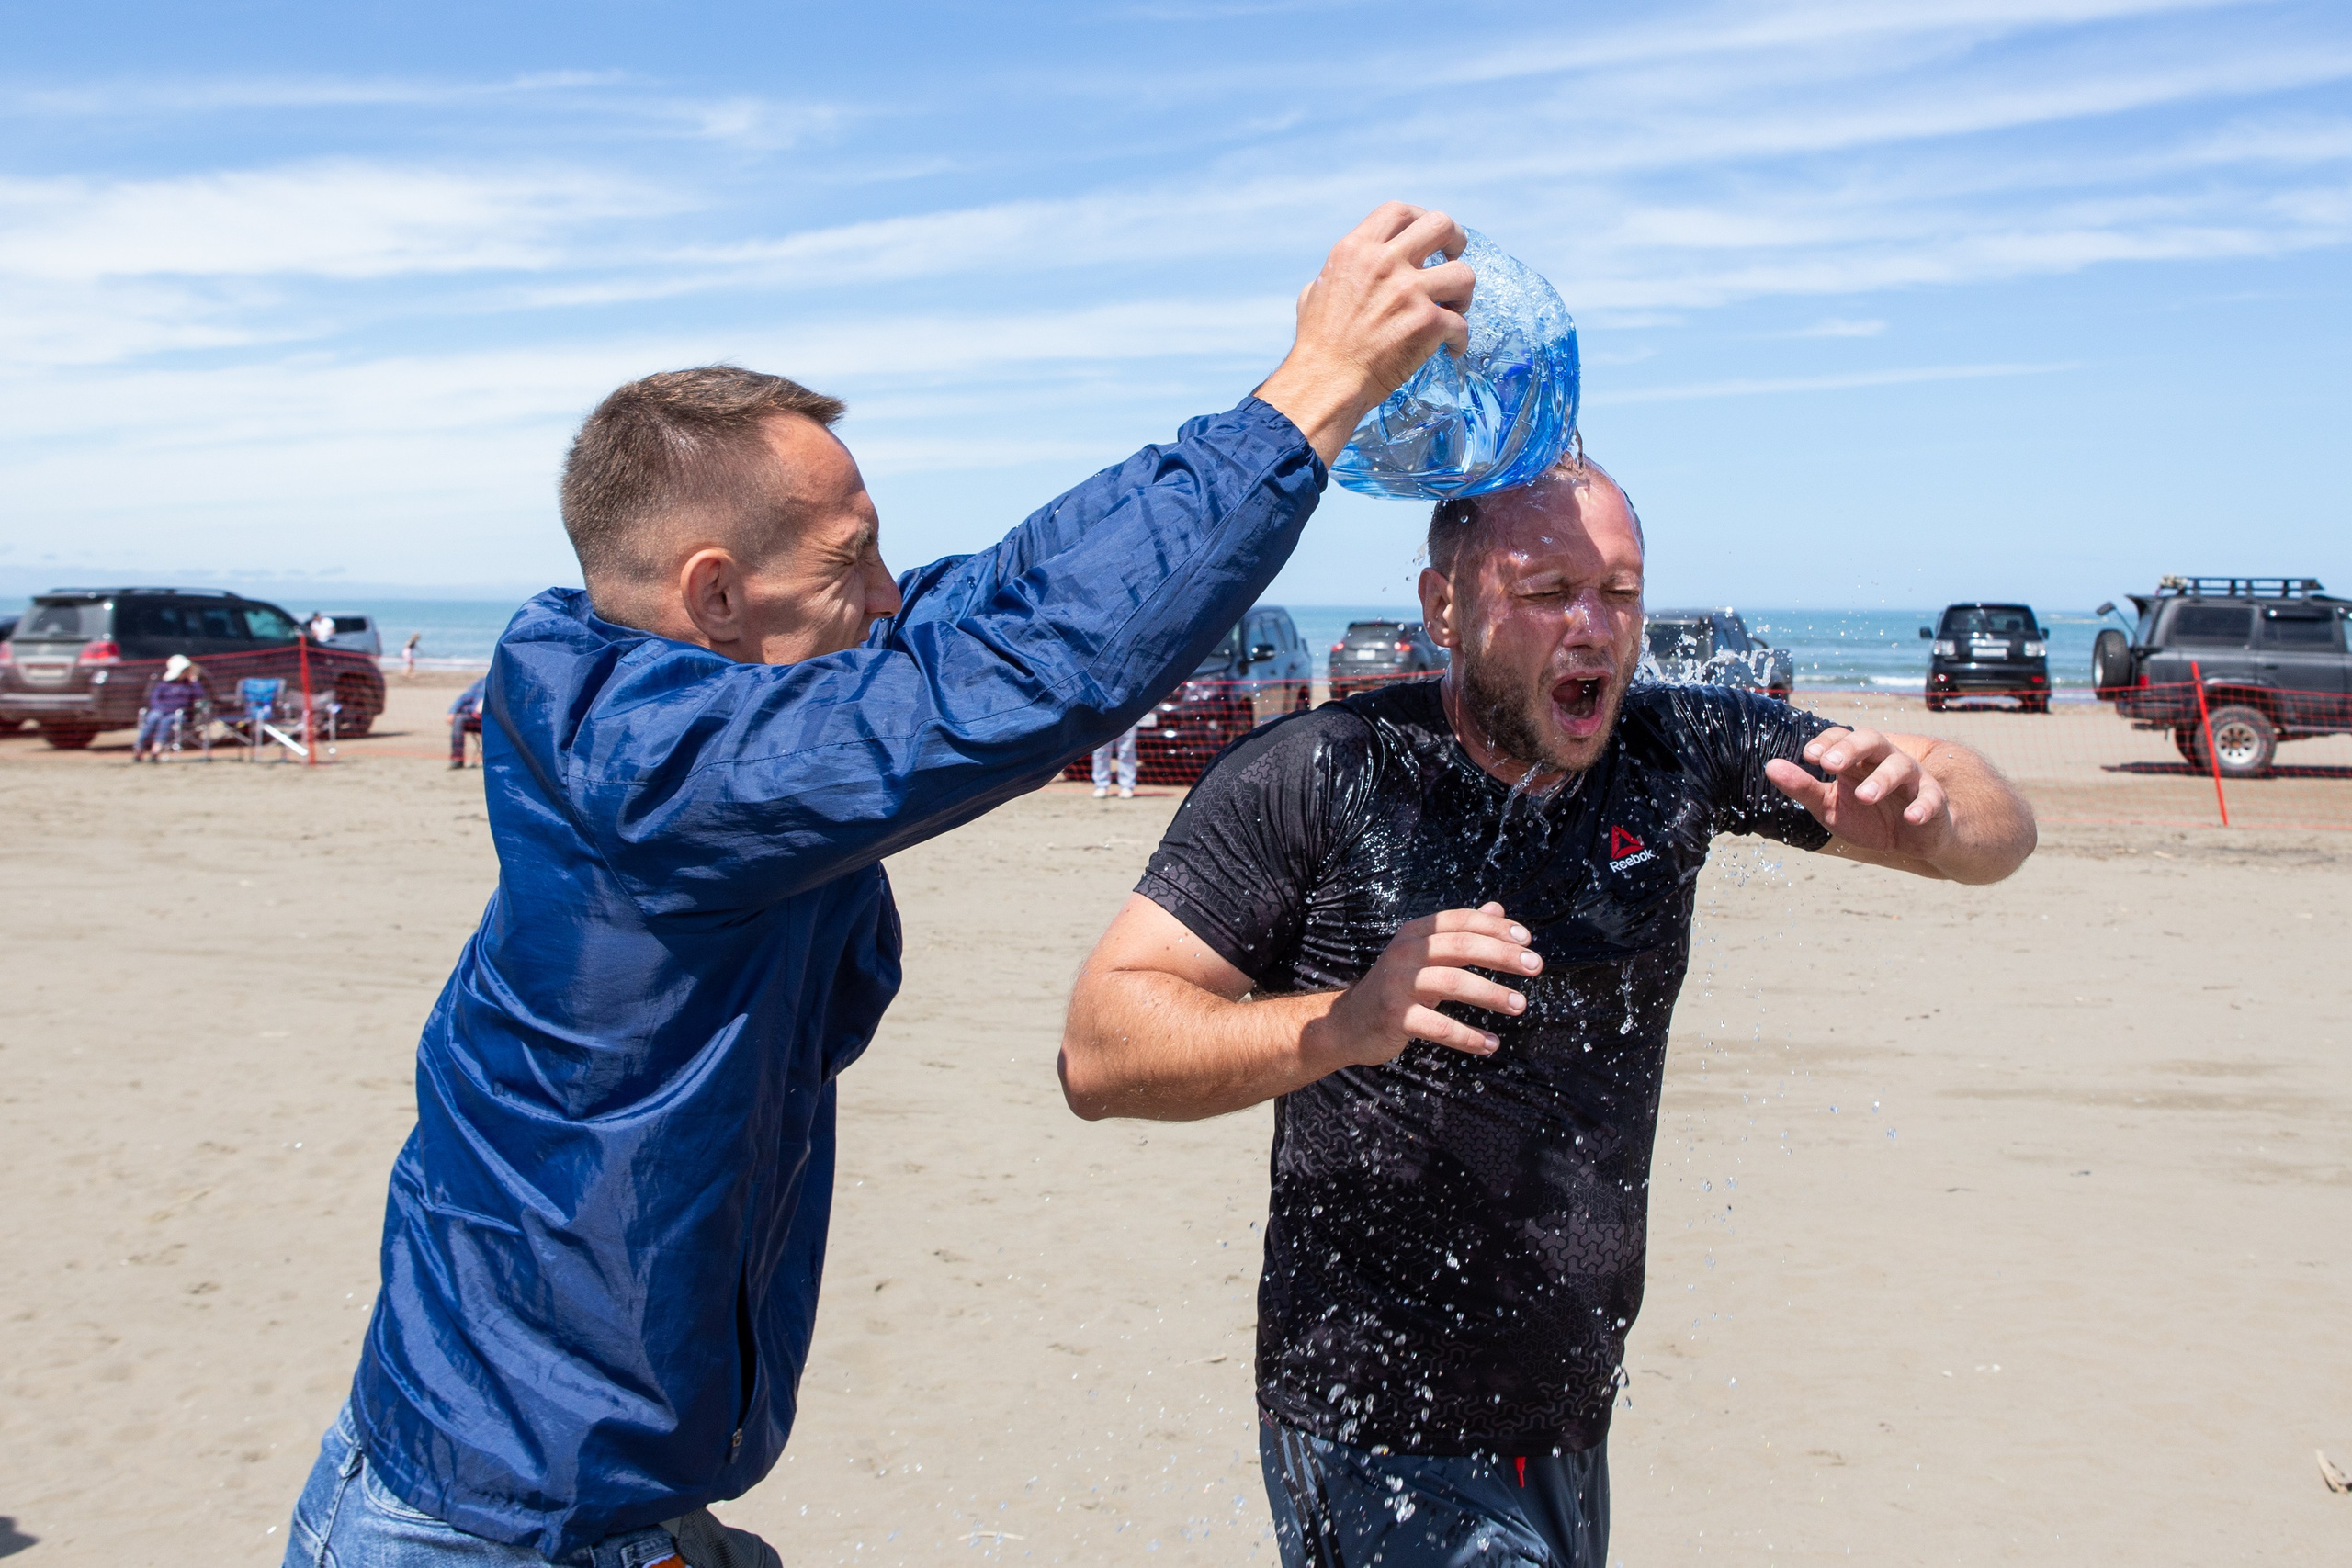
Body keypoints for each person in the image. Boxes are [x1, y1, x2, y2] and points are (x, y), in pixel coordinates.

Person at [281, 201, 1477, 1568]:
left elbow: (995, 604)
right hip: (488, 1529)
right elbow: (1010, 684)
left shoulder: (686, 696)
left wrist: (1245, 426)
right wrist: (1311, 394)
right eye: (850, 562)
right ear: (714, 595)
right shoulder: (666, 775)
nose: (887, 588)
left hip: (610, 1504)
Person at [1057, 457, 2037, 1568]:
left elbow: (1987, 813)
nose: (1593, 630)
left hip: (1568, 1416)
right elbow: (1099, 1046)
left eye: (1618, 595)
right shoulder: (1322, 775)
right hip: (1375, 1420)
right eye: (1545, 592)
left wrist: (1939, 817)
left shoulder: (1672, 754)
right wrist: (1340, 1023)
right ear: (1442, 608)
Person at [133, 653, 206, 761]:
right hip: (161, 712)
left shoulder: (190, 685)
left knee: (167, 721)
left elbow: (201, 696)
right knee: (154, 717)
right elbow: (154, 700)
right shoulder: (164, 685)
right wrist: (163, 710)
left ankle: (156, 749)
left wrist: (194, 681)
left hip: (181, 715)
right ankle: (139, 747)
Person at [447, 673, 487, 770]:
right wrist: (452, 712)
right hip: (476, 719)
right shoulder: (482, 682)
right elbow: (464, 698)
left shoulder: (505, 683)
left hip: (493, 721)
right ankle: (457, 760)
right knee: (459, 720)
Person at [1091, 722, 1141, 797]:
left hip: (1127, 714)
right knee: (1101, 750)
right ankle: (1101, 786)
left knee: (1127, 750)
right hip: (1103, 716)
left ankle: (1127, 786)